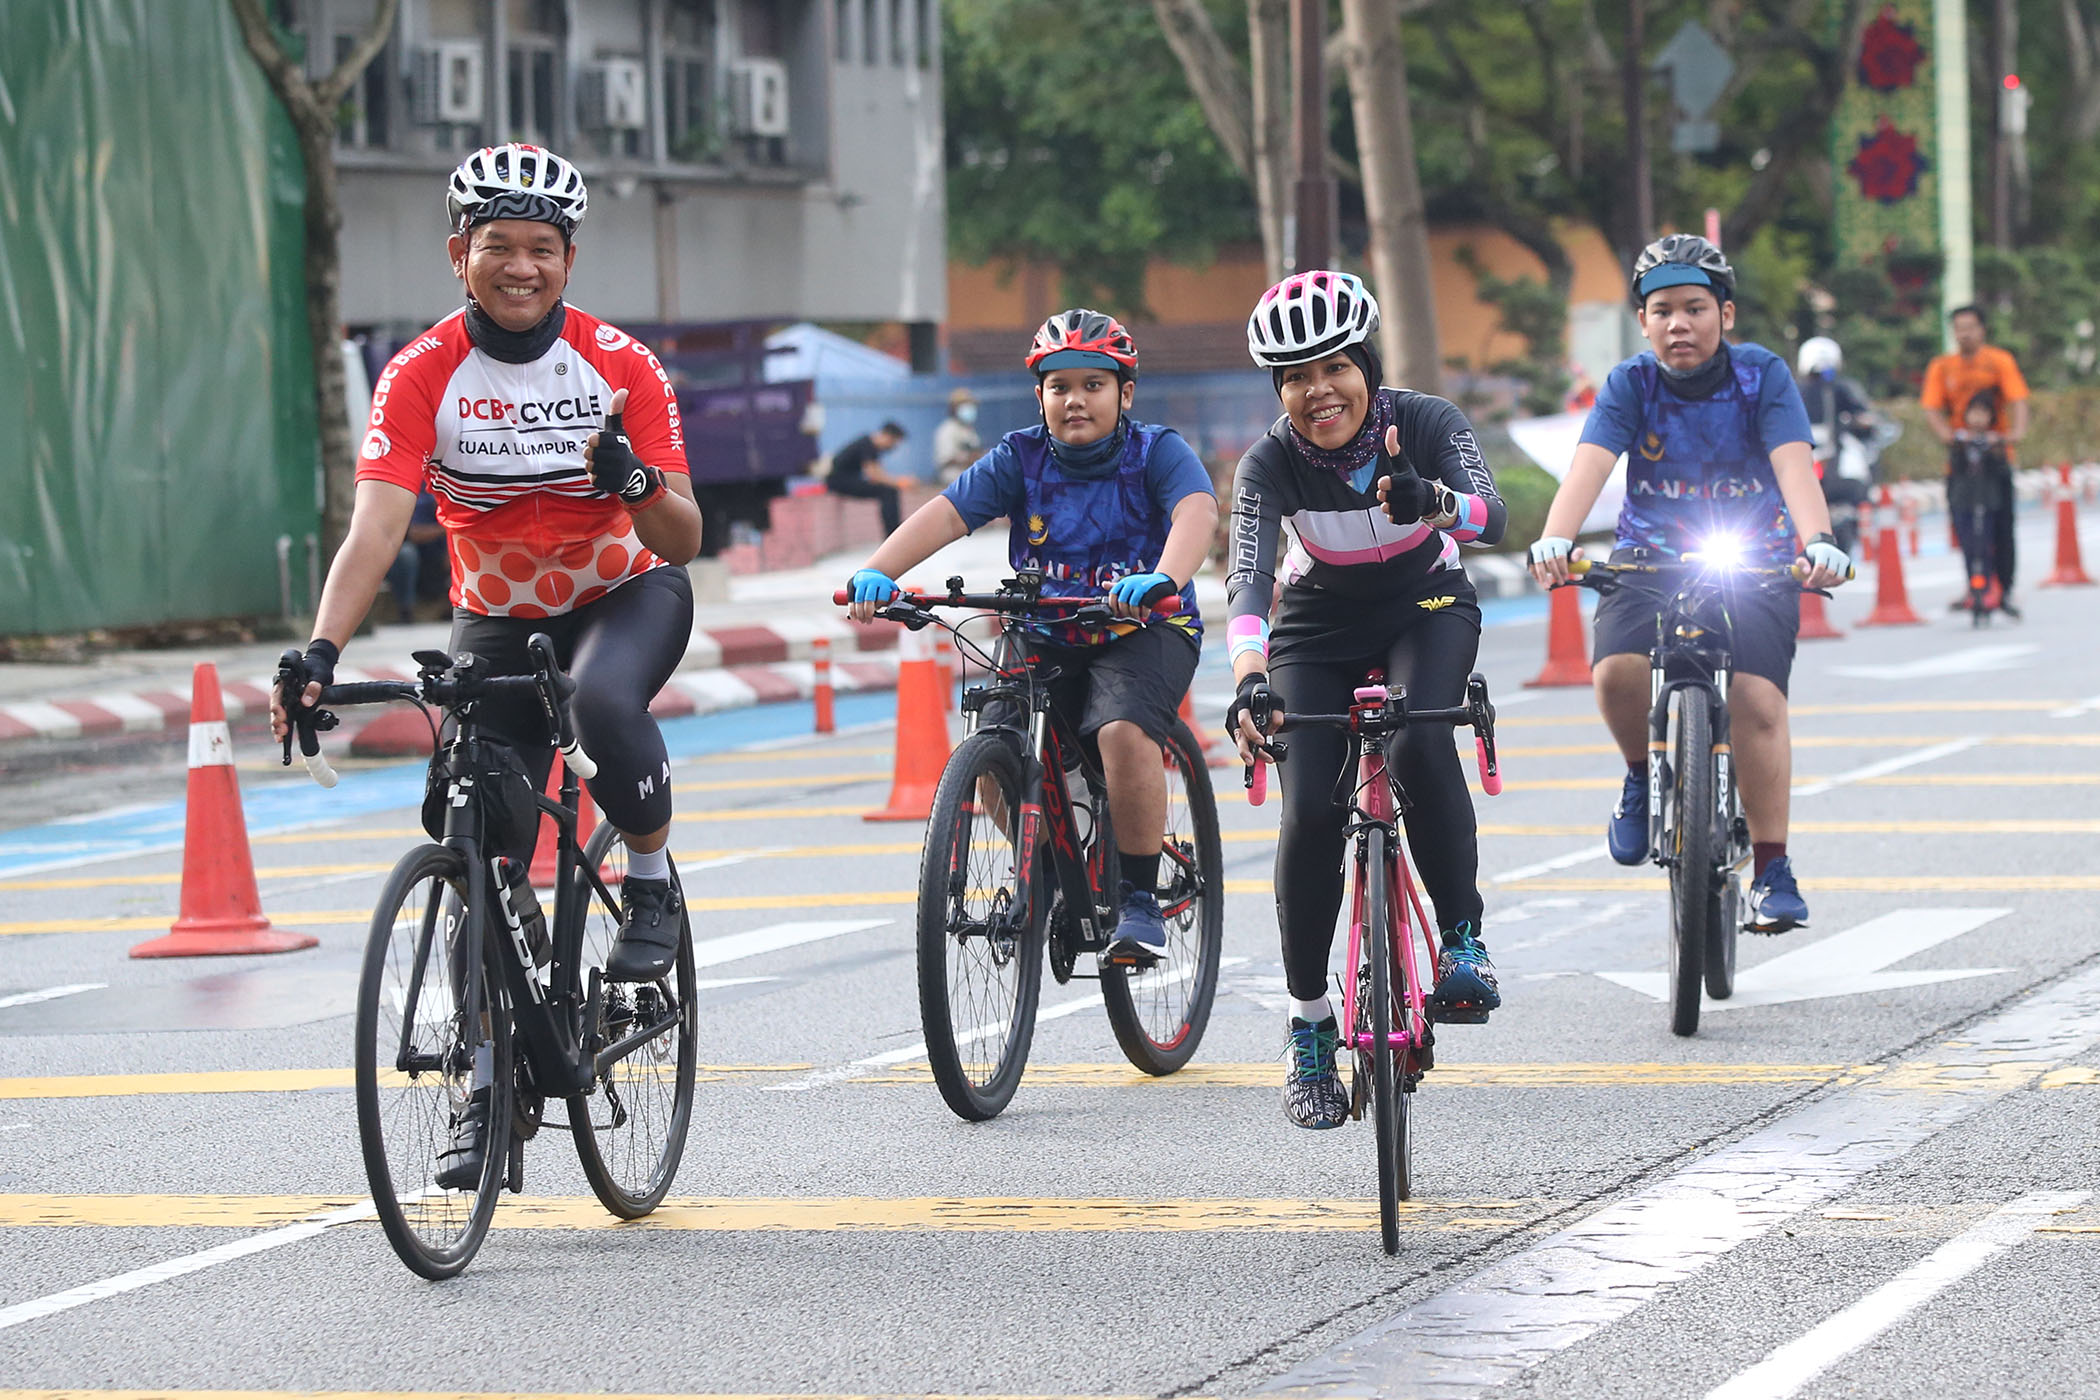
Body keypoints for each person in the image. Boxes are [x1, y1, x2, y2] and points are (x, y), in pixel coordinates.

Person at [269, 143, 704, 1184]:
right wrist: (322, 648)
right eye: (497, 246)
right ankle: (487, 1088)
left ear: (569, 257)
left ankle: (648, 886)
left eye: (541, 248)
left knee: (601, 701)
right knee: (474, 839)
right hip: (499, 618)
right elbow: (375, 530)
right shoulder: (421, 373)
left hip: (624, 593)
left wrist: (635, 478)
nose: (520, 266)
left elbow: (684, 536)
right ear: (458, 254)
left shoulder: (620, 365)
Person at [844, 309, 1219, 964]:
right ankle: (1050, 869)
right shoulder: (1019, 458)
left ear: (1125, 393)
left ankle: (1136, 901)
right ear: (1039, 395)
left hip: (1144, 627)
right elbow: (946, 514)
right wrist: (877, 573)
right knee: (994, 737)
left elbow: (1197, 510)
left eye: (1093, 385)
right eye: (1058, 386)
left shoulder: (1158, 451)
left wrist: (1163, 576)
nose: (1075, 399)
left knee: (1124, 731)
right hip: (1048, 631)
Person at [1226, 270, 1507, 1132]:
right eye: (1296, 376)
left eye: (1335, 367)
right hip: (1317, 620)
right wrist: (1248, 680)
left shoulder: (1424, 421)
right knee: (1311, 808)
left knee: (1421, 736)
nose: (1319, 391)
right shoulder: (1269, 461)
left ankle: (1462, 941)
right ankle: (1310, 1022)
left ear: (1368, 367)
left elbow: (1492, 517)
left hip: (1425, 605)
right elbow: (1246, 581)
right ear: (1279, 390)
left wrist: (1436, 502)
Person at [1527, 234, 1850, 937]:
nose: (1680, 324)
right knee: (1615, 672)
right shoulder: (1630, 385)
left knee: (1757, 700)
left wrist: (1819, 540)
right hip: (1649, 558)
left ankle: (1771, 869)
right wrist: (1557, 537)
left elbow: (1796, 468)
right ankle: (1640, 776)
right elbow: (1588, 467)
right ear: (1643, 322)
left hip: (1757, 559)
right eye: (1663, 310)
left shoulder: (1763, 377)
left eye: (1696, 308)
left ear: (1725, 315)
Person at [1921, 306, 2029, 608]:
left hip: (1996, 454)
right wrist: (1946, 435)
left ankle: (2005, 587)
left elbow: (2018, 399)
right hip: (1961, 457)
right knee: (1964, 523)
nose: (1964, 334)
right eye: (1959, 328)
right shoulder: (1942, 367)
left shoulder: (1998, 362)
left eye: (1970, 327)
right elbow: (1931, 408)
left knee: (2003, 522)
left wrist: (2015, 433)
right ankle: (1974, 585)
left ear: (1982, 329)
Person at [1794, 336, 1882, 556]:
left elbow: (1865, 418)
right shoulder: (1796, 390)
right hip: (1806, 454)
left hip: (1829, 453)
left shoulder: (1798, 389)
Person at [1948, 388, 2018, 617]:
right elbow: (1954, 468)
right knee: (1969, 547)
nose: (1978, 418)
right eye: (1974, 413)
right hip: (1964, 501)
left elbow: (2002, 473)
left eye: (1983, 413)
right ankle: (1974, 587)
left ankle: (1994, 589)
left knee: (1988, 544)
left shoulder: (1996, 444)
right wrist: (1961, 443)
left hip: (1988, 502)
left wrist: (1996, 446)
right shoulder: (1959, 441)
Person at [828, 420, 908, 533]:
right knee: (887, 492)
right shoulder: (867, 445)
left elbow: (878, 473)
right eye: (893, 442)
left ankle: (894, 531)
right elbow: (873, 475)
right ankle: (892, 533)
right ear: (888, 437)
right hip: (839, 481)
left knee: (889, 490)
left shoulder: (871, 447)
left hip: (847, 479)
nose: (892, 446)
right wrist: (900, 483)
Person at [382, 490, 447, 623]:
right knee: (406, 555)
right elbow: (412, 533)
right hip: (416, 557)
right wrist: (445, 529)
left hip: (439, 561)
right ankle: (406, 610)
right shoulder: (422, 501)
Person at [933, 387, 983, 485]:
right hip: (953, 482)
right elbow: (944, 459)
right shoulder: (947, 429)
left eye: (971, 405)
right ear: (954, 408)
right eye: (965, 405)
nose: (970, 409)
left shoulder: (969, 430)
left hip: (971, 480)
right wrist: (967, 459)